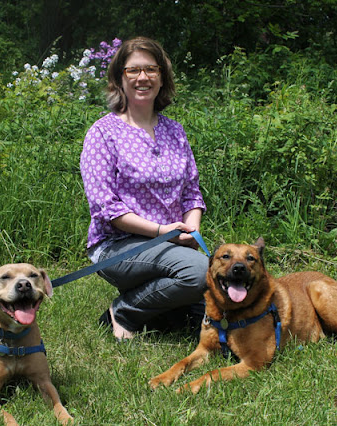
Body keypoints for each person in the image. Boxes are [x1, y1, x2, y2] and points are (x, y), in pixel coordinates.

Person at [80, 37, 208, 341]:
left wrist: (192, 231)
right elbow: (105, 208)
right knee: (200, 273)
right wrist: (162, 231)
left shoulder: (175, 131)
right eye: (133, 70)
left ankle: (167, 310)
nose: (143, 78)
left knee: (221, 283)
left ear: (162, 78)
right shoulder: (103, 133)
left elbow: (192, 191)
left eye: (151, 69)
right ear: (118, 79)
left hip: (172, 240)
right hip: (117, 244)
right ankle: (124, 311)